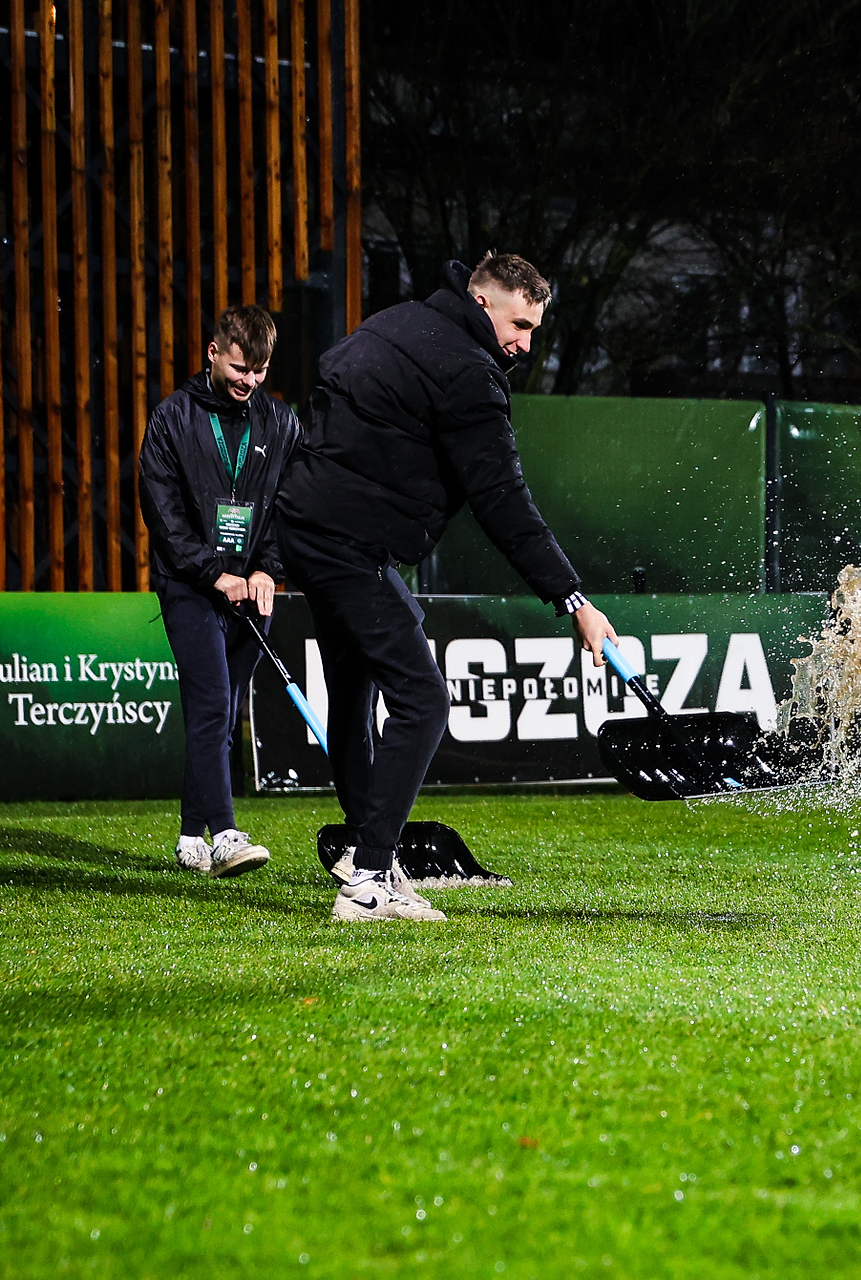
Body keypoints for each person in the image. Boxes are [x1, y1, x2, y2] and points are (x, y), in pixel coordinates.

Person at [277, 252, 614, 923]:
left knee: (355, 690)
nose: (525, 342)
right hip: (346, 544)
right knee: (423, 699)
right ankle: (368, 880)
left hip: (307, 527)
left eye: (535, 329)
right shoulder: (466, 370)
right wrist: (572, 597)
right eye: (520, 324)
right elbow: (502, 500)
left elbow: (326, 394)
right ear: (485, 303)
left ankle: (374, 860)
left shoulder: (394, 322)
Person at [139, 305, 301, 878]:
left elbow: (289, 504)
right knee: (210, 704)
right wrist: (213, 573)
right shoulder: (171, 419)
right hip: (189, 586)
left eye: (259, 372)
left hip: (254, 588)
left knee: (225, 711)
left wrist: (267, 570)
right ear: (213, 353)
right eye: (239, 368)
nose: (249, 382)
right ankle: (227, 834)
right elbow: (163, 516)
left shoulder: (282, 423)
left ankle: (189, 835)